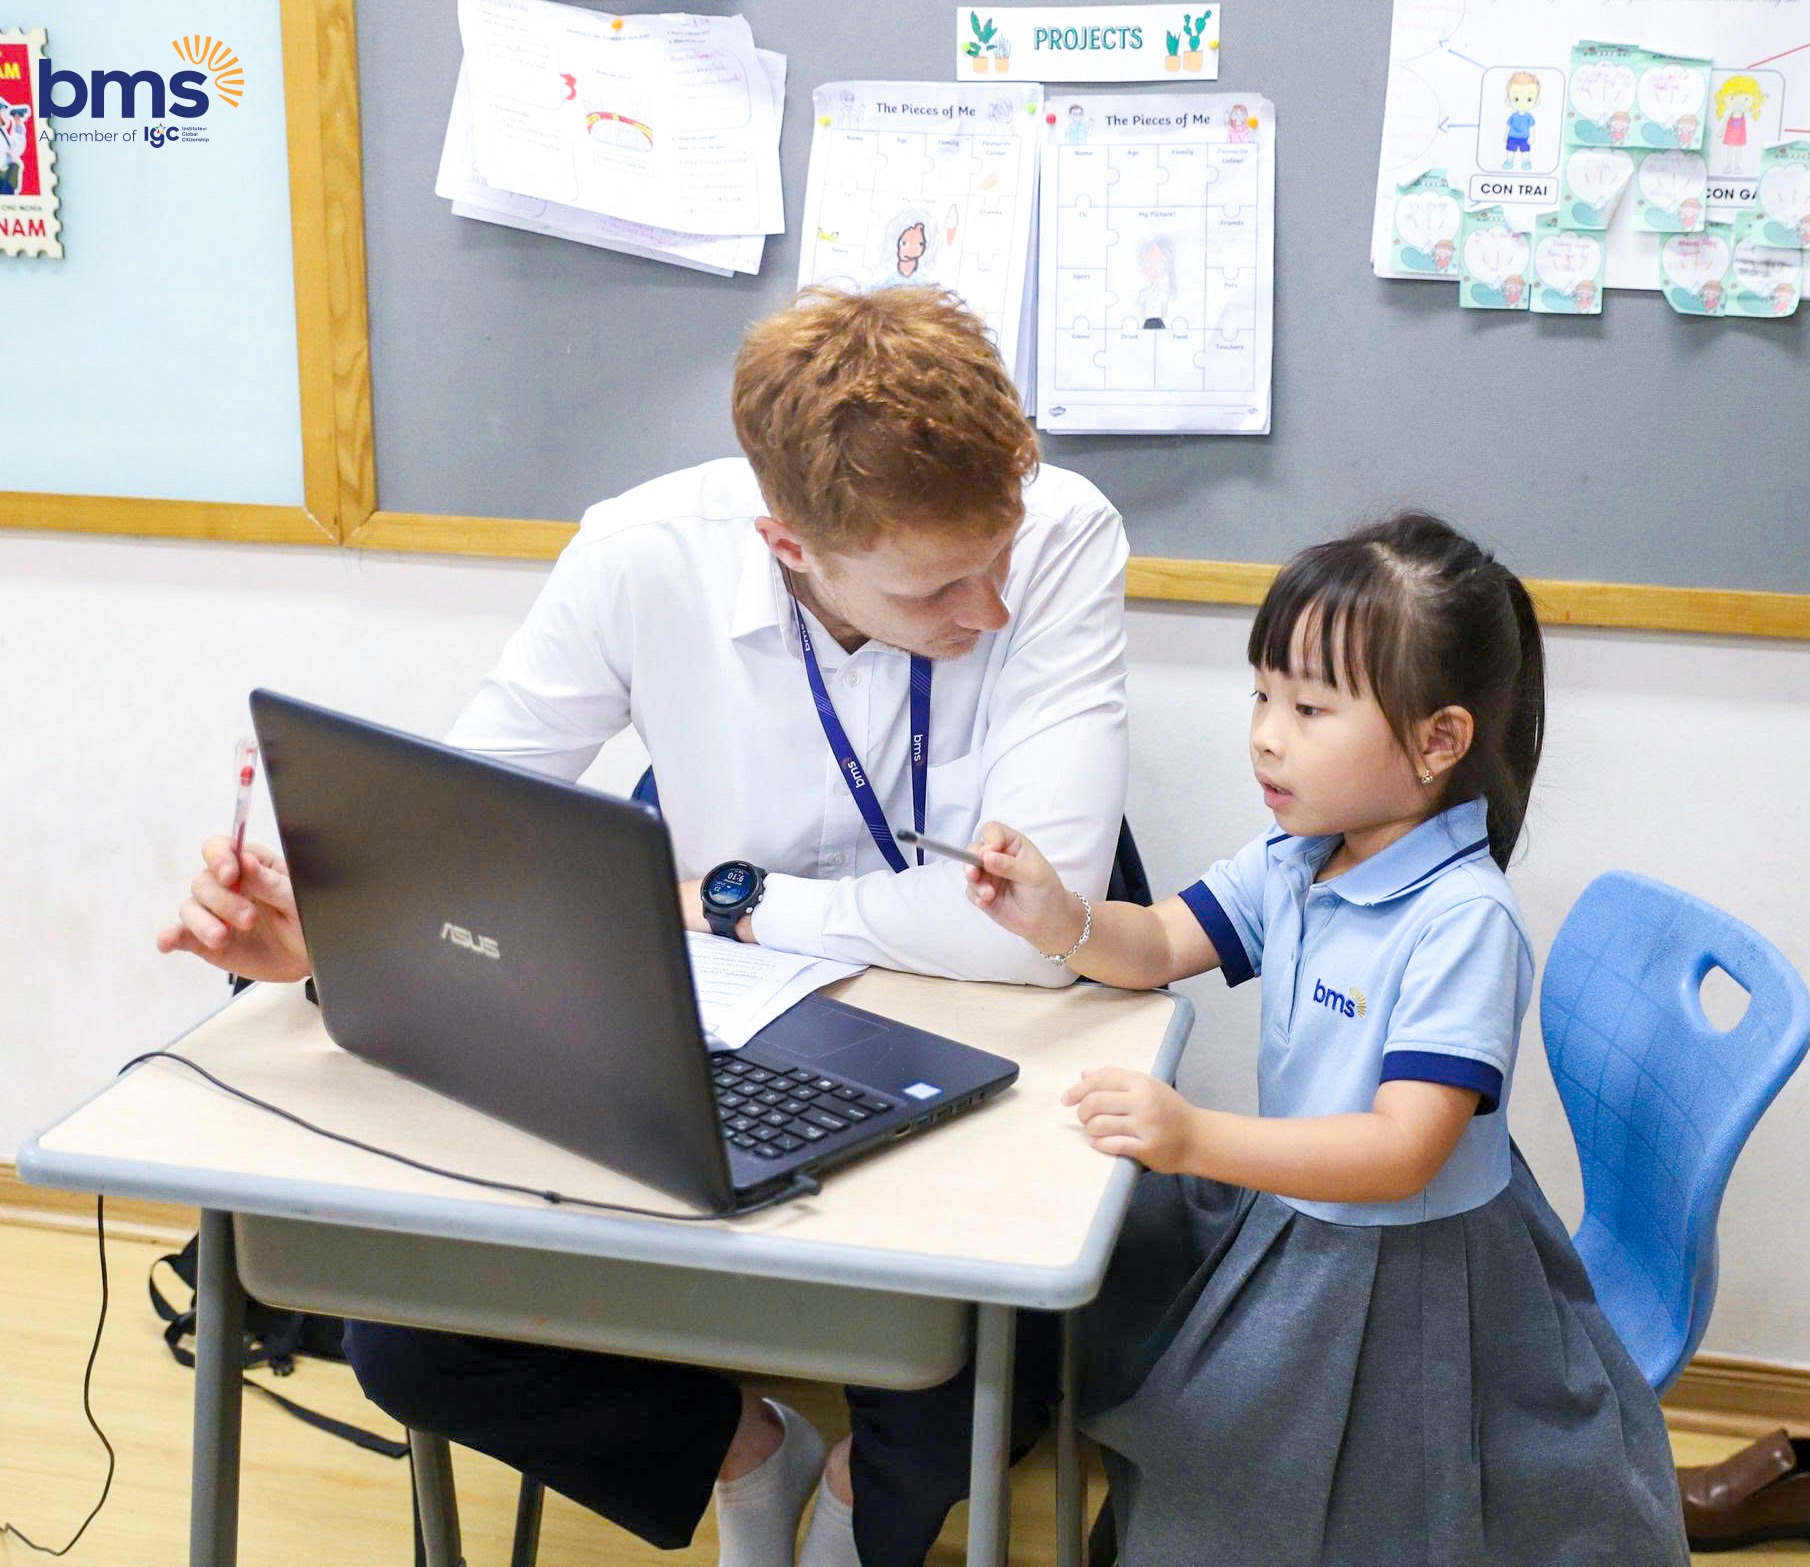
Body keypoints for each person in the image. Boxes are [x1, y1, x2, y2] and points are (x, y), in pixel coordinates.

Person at [157, 285, 1131, 1567]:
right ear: (790, 545)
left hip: (979, 1011)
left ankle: (862, 1500)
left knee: (1010, 1357)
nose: (992, 607)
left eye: (997, 556)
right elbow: (464, 818)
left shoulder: (1063, 532)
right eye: (942, 586)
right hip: (729, 1000)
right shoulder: (642, 552)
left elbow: (1020, 937)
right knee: (411, 1337)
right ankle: (748, 1455)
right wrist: (328, 932)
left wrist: (737, 905)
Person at [964, 513, 1691, 1564]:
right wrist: (1056, 917)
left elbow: (1401, 1151)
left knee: (1257, 1487)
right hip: (1302, 1214)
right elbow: (1160, 939)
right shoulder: (1299, 854)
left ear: (1438, 741)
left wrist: (1191, 1135)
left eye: (1308, 707)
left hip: (1405, 1265)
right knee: (1116, 1290)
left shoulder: (1463, 921)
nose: (1266, 734)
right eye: (1261, 695)